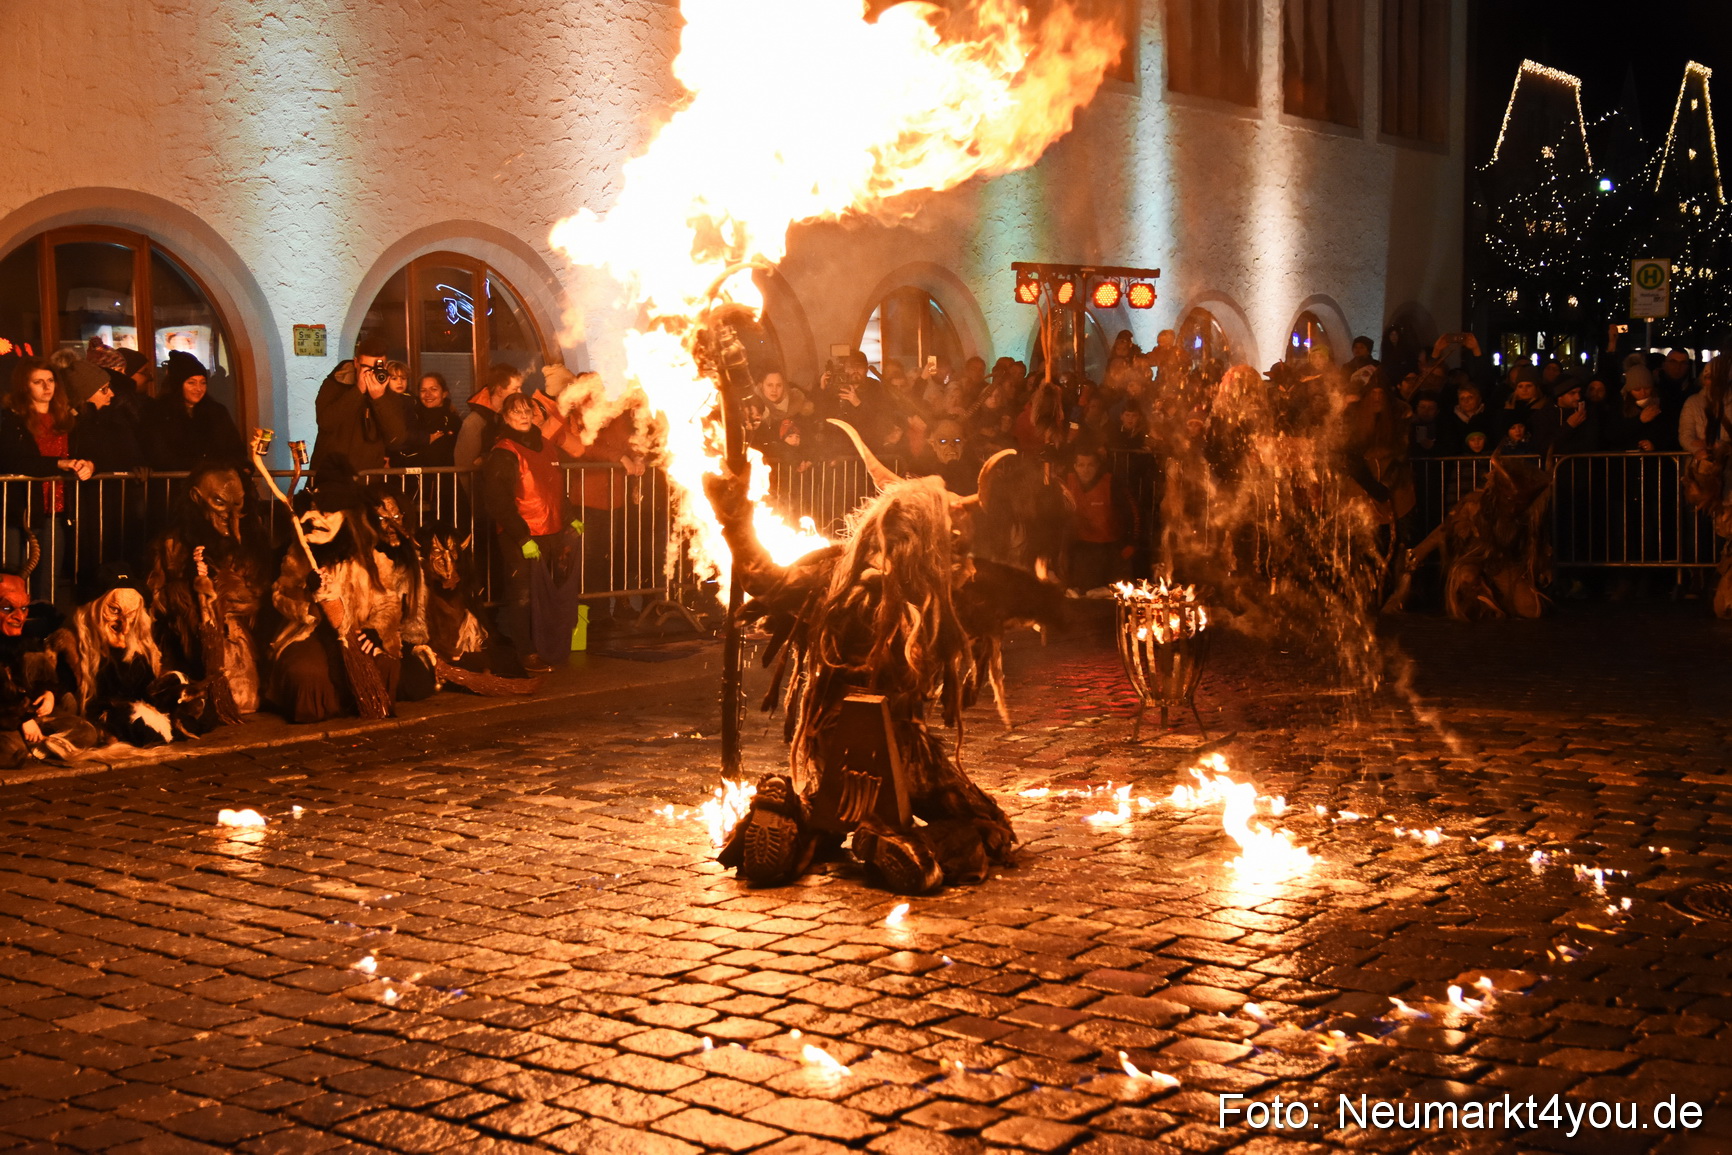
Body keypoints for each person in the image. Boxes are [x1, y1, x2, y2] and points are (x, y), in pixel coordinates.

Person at [482, 393, 581, 674]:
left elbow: (556, 489)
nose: (524, 416)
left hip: (551, 532)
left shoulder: (547, 448)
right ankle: (525, 651)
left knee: (546, 593)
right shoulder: (503, 452)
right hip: (521, 536)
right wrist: (523, 537)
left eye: (528, 410)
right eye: (517, 412)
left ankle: (545, 644)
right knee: (522, 595)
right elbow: (497, 502)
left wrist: (570, 518)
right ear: (505, 417)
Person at [1, 359, 94, 601]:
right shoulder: (12, 420)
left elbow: (86, 450)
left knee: (48, 578)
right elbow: (13, 459)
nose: (46, 387)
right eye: (38, 382)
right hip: (20, 507)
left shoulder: (65, 418)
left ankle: (45, 628)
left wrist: (90, 464)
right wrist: (57, 463)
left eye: (51, 380)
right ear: (25, 386)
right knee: (13, 574)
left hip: (56, 507)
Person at [310, 338, 411, 473]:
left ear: (385, 366)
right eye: (367, 368)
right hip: (333, 477)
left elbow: (397, 438)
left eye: (376, 368)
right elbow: (326, 422)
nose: (371, 373)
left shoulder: (388, 394)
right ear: (356, 363)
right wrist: (358, 391)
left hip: (369, 479)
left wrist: (379, 399)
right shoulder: (335, 384)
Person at [142, 351, 247, 471]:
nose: (198, 389)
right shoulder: (158, 412)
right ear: (178, 384)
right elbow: (159, 455)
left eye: (203, 383)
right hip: (174, 484)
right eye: (191, 383)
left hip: (214, 484)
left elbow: (234, 448)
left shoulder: (216, 412)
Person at [1062, 443, 1133, 592]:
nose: (1085, 470)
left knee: (1111, 594)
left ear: (1098, 466)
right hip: (1081, 549)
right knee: (1083, 593)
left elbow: (1133, 513)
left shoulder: (1112, 483)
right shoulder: (1067, 482)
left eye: (1090, 465)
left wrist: (1131, 544)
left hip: (1110, 549)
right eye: (1081, 465)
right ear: (1074, 466)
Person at [452, 363, 522, 474]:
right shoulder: (474, 423)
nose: (520, 393)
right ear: (500, 390)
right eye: (515, 389)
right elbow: (464, 468)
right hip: (484, 489)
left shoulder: (510, 419)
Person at [393, 373, 462, 468]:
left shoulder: (453, 421)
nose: (428, 394)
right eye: (423, 390)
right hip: (412, 479)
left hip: (443, 479)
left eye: (434, 389)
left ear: (444, 393)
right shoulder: (412, 417)